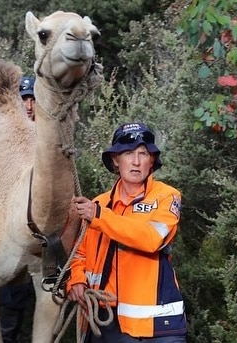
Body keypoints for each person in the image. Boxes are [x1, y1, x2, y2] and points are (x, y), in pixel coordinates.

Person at [67, 122, 187, 342]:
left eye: (143, 153)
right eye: (128, 153)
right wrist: (76, 281)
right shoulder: (98, 204)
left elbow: (151, 239)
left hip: (158, 324)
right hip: (105, 320)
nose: (136, 161)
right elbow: (79, 253)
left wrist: (100, 217)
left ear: (151, 160)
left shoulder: (167, 196)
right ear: (115, 160)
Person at [0, 76, 36, 343]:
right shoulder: (4, 141)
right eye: (24, 100)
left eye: (33, 99)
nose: (30, 106)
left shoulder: (50, 137)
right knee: (13, 285)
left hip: (43, 227)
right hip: (10, 225)